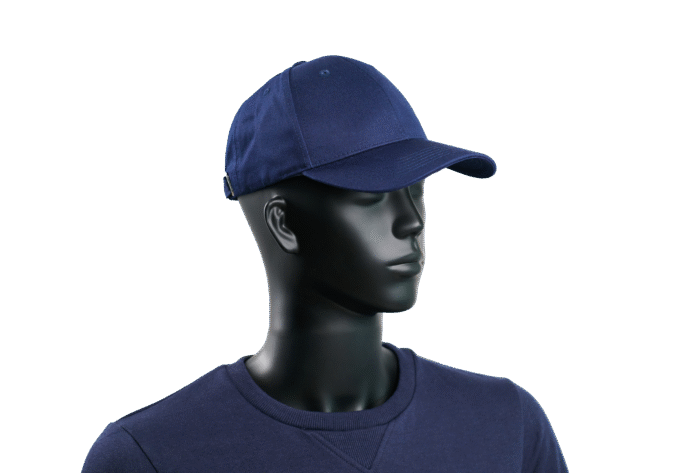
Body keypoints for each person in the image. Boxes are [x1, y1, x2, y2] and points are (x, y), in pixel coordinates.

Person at [81, 55, 568, 472]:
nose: (412, 221)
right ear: (283, 223)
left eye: (417, 189)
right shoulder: (151, 456)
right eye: (373, 195)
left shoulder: (508, 428)